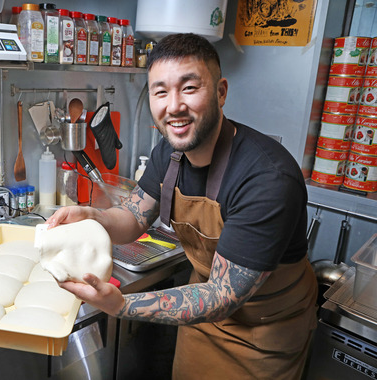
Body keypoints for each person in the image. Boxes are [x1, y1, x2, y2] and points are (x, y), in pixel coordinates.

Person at [46, 33, 318, 380]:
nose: (173, 106)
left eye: (189, 88)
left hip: (264, 334)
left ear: (220, 92)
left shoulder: (267, 178)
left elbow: (223, 295)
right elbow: (131, 216)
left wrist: (122, 304)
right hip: (199, 316)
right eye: (161, 92)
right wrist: (92, 217)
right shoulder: (169, 153)